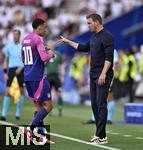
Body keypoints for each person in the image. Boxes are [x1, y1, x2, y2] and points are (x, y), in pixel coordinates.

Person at [58, 13, 114, 144]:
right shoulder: (94, 37)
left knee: (101, 104)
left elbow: (109, 58)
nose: (87, 26)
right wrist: (68, 41)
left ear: (97, 22)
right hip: (93, 74)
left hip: (102, 74)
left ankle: (99, 135)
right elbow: (83, 48)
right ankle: (103, 136)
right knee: (94, 105)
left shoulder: (108, 37)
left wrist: (104, 73)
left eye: (89, 23)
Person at [22, 18, 55, 144]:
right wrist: (51, 52)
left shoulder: (25, 39)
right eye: (45, 27)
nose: (46, 30)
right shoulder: (38, 39)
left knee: (39, 106)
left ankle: (41, 137)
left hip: (28, 76)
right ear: (39, 27)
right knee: (49, 106)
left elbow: (24, 58)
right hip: (38, 77)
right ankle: (29, 128)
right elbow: (44, 57)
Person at [0, 29, 24, 121]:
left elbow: (25, 59)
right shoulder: (9, 46)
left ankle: (18, 112)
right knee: (7, 91)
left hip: (21, 69)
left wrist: (21, 68)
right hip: (12, 69)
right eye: (14, 35)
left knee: (21, 91)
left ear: (19, 35)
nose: (15, 36)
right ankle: (3, 114)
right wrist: (5, 72)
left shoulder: (22, 46)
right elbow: (6, 59)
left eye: (16, 35)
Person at [45, 49, 64, 117]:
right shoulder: (46, 54)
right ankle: (49, 109)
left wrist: (62, 76)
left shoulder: (58, 54)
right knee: (48, 94)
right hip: (48, 76)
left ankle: (60, 109)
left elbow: (62, 65)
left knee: (59, 92)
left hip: (56, 76)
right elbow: (43, 64)